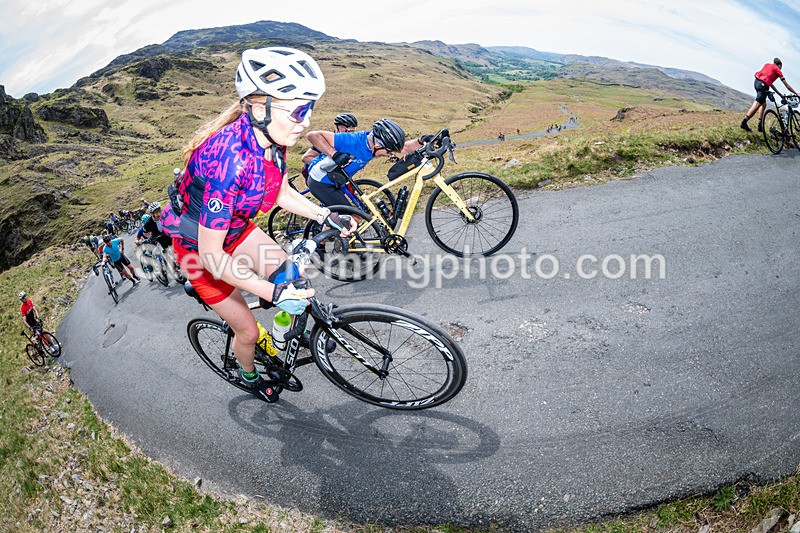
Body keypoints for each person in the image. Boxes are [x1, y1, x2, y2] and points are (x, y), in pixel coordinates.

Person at [162, 46, 354, 404]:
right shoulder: (230, 161)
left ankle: (281, 335)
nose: (307, 121)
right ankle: (249, 375)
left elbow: (278, 189)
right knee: (248, 332)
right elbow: (213, 257)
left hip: (234, 231)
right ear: (259, 106)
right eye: (299, 110)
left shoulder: (270, 137)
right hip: (199, 253)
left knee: (292, 276)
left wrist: (324, 214)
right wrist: (271, 293)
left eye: (309, 109)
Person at [305, 118, 428, 207]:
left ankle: (328, 233)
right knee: (353, 218)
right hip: (320, 182)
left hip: (337, 179)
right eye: (387, 150)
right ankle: (319, 242)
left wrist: (421, 140)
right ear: (378, 144)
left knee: (341, 216)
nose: (388, 153)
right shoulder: (351, 140)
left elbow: (404, 148)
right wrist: (335, 155)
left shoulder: (374, 145)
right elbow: (313, 135)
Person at [741, 58, 800, 132]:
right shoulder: (777, 70)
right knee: (757, 104)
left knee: (763, 104)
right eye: (781, 68)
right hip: (763, 85)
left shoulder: (767, 65)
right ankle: (744, 122)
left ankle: (760, 125)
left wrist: (780, 94)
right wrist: (796, 93)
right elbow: (787, 85)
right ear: (779, 65)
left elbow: (770, 83)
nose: (780, 69)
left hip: (756, 82)